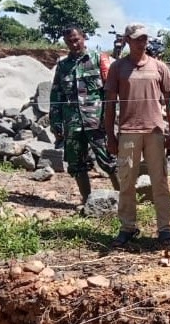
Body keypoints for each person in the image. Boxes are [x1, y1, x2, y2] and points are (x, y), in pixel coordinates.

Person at [104, 23, 170, 248]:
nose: (141, 42)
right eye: (136, 39)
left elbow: (169, 100)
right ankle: (128, 227)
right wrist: (110, 135)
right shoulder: (118, 68)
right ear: (127, 40)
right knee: (126, 181)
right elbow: (110, 103)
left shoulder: (159, 67)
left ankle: (165, 229)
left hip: (155, 131)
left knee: (160, 182)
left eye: (144, 38)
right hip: (128, 131)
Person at [49, 26, 121, 204]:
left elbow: (110, 93)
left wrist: (112, 119)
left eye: (76, 39)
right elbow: (56, 95)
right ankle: (87, 201)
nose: (74, 44)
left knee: (109, 160)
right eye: (69, 41)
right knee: (76, 164)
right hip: (72, 123)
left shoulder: (98, 60)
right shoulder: (63, 66)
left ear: (84, 38)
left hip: (97, 122)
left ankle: (125, 199)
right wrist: (55, 122)